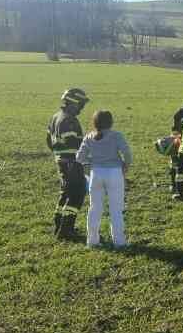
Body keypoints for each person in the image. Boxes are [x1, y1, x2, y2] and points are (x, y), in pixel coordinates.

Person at [76, 110, 132, 248]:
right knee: (116, 209)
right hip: (114, 173)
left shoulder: (89, 137)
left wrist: (92, 161)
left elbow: (79, 158)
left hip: (96, 174)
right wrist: (125, 165)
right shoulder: (116, 136)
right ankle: (119, 242)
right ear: (111, 122)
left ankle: (92, 241)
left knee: (94, 208)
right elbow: (127, 153)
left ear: (94, 123)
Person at [46, 88, 89, 240]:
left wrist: (58, 154)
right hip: (72, 162)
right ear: (74, 103)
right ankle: (66, 229)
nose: (82, 108)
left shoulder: (55, 117)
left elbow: (49, 141)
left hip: (61, 161)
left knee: (65, 192)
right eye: (81, 105)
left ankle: (58, 225)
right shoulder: (69, 120)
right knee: (76, 194)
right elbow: (73, 143)